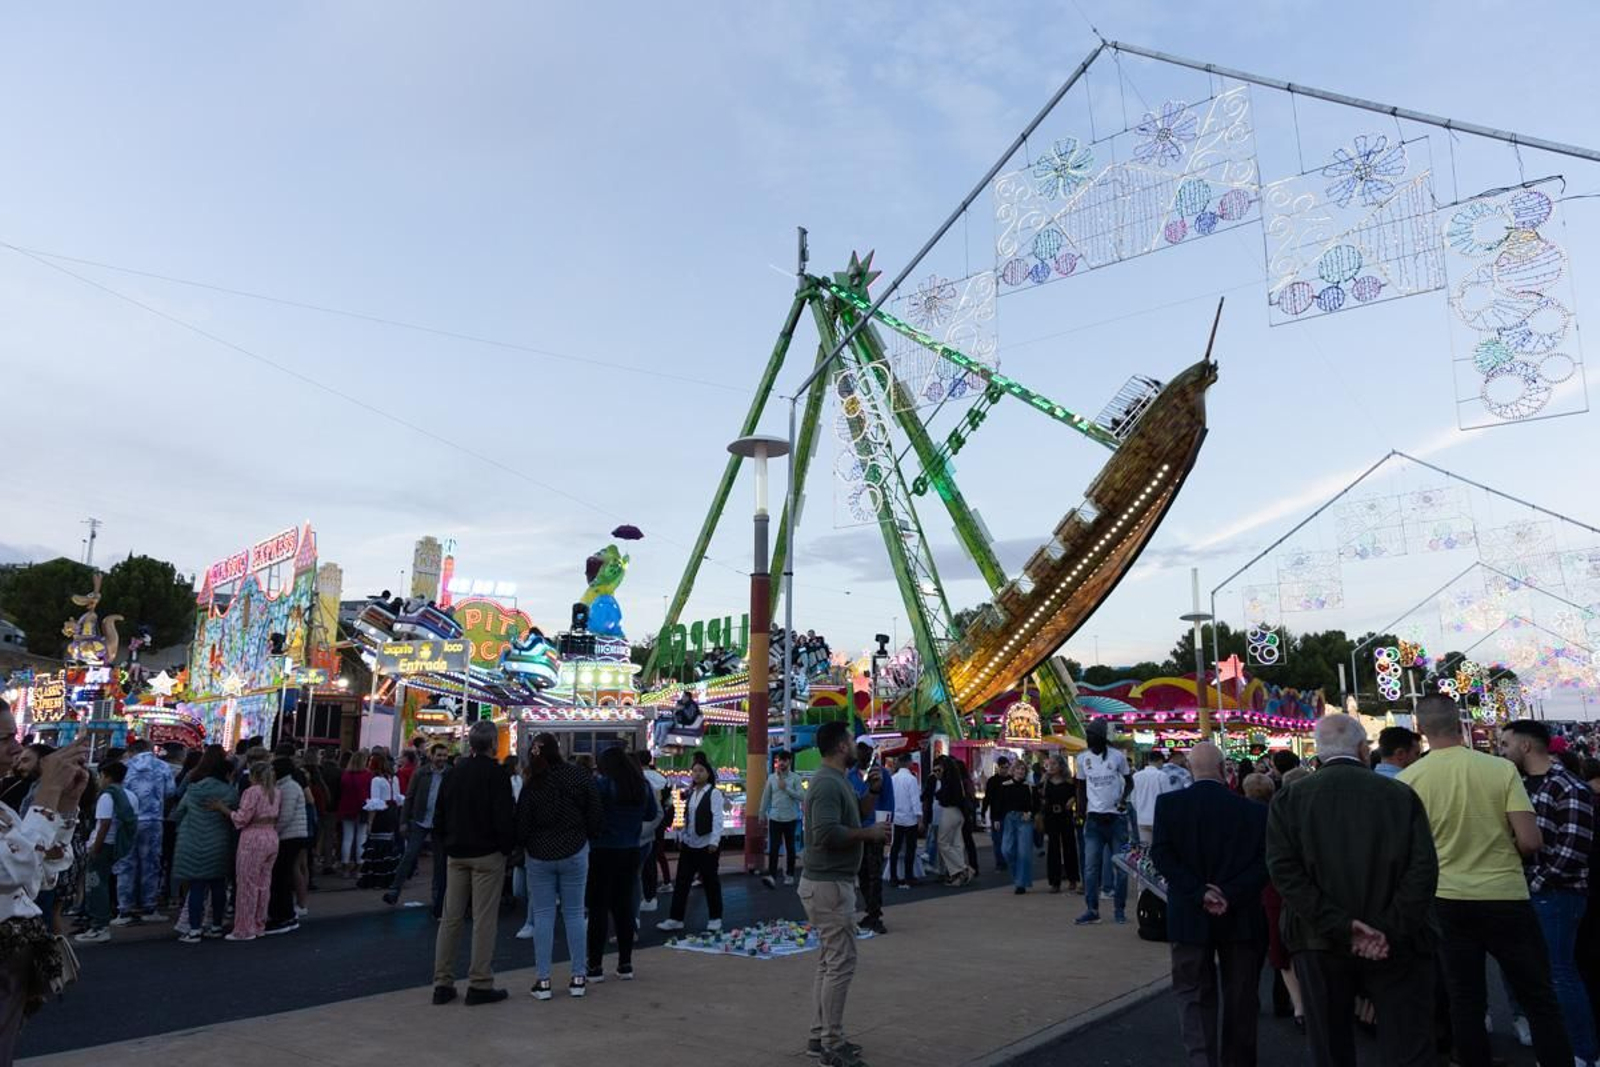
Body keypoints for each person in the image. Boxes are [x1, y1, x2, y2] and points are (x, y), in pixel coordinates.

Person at [1399, 696, 1572, 1067]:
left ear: (1421, 729)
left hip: (1446, 899)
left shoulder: (1408, 781)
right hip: (1504, 894)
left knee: (1465, 999)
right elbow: (1530, 840)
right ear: (1460, 725)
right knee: (1538, 997)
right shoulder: (1500, 770)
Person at [1267, 714, 1437, 1067]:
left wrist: (1341, 925)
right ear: (1363, 749)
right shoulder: (1399, 795)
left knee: (1330, 1043)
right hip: (1394, 942)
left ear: (1317, 751)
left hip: (1317, 940)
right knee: (1407, 1040)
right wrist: (1387, 928)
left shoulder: (1290, 798)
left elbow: (1285, 873)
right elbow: (1422, 869)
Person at [1150, 742, 1270, 1067]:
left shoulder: (1170, 806)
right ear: (1224, 769)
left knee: (1192, 994)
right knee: (1241, 997)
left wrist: (1198, 891)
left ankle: (1202, 1060)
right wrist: (1228, 891)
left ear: (1190, 768)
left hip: (1189, 914)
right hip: (1241, 915)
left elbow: (1161, 855)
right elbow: (1265, 864)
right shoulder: (1254, 811)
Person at [1499, 718, 1597, 1066]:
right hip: (1533, 892)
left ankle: (1583, 1052)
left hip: (1558, 895)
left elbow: (1573, 849)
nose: (1501, 750)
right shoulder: (1521, 785)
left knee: (1560, 974)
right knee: (1545, 975)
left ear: (1526, 745)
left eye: (1506, 744)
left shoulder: (1568, 787)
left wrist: (1534, 881)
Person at [0, 712, 87, 1066]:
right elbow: (11, 871)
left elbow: (39, 875)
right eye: (5, 738)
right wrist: (48, 791)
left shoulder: (4, 809)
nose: (15, 749)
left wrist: (65, 805)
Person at [801, 720, 887, 1067]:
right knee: (840, 963)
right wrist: (870, 836)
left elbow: (853, 816)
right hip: (829, 885)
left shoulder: (839, 781)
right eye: (851, 741)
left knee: (829, 962)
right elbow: (825, 833)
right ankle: (831, 1044)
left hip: (830, 883)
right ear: (840, 747)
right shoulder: (825, 784)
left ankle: (820, 1034)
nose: (856, 746)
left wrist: (873, 793)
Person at [433, 720, 516, 1006]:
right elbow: (504, 816)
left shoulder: (453, 773)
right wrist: (506, 849)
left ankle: (442, 982)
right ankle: (479, 981)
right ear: (493, 744)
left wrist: (445, 842)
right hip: (487, 853)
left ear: (469, 743)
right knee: (483, 919)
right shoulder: (497, 775)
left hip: (456, 852)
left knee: (451, 917)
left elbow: (440, 813)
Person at [517, 732, 600, 998]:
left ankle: (543, 981)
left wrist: (524, 846)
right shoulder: (578, 775)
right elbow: (595, 812)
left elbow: (522, 822)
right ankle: (578, 977)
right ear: (559, 749)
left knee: (543, 916)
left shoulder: (533, 783)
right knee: (574, 914)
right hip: (574, 849)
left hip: (540, 854)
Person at [585, 746, 655, 983]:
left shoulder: (602, 785)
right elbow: (651, 814)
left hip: (602, 851)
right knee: (624, 908)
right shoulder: (641, 785)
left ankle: (594, 966)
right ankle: (625, 964)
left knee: (598, 909)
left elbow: (590, 813)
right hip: (631, 850)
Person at [170, 745, 236, 943]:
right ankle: (216, 925)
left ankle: (195, 929)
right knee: (218, 886)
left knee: (197, 886)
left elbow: (179, 812)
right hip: (219, 841)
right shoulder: (230, 793)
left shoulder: (194, 788)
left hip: (192, 841)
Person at [657, 752, 725, 932]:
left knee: (711, 882)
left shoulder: (714, 793)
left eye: (701, 771)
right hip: (689, 844)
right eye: (694, 771)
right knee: (681, 882)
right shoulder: (690, 793)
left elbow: (718, 818)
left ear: (708, 773)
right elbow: (686, 818)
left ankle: (715, 917)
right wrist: (681, 836)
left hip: (706, 845)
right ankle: (675, 918)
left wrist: (714, 841)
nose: (697, 774)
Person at [217, 755, 279, 941]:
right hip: (271, 836)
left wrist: (225, 810)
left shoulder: (252, 792)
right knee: (264, 883)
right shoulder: (276, 792)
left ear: (254, 775)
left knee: (246, 884)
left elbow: (242, 818)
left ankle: (244, 928)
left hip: (253, 838)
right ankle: (259, 923)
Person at [1076, 721, 1133, 925]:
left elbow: (1130, 781)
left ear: (1100, 737)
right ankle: (1092, 909)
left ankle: (1119, 909)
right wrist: (1080, 812)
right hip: (1093, 821)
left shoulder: (1118, 757)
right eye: (1088, 735)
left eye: (1091, 734)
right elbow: (1081, 788)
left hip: (1117, 821)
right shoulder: (1082, 759)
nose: (1089, 738)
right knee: (1091, 867)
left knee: (1122, 867)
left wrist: (1123, 801)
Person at [112, 738, 174, 923]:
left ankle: (124, 909)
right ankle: (149, 906)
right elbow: (171, 791)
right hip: (153, 820)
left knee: (126, 863)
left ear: (132, 750)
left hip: (128, 821)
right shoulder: (163, 766)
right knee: (151, 864)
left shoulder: (124, 766)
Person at [73, 760, 133, 945]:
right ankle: (100, 924)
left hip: (102, 845)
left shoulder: (107, 797)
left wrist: (94, 848)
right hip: (117, 845)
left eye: (101, 776)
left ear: (106, 776)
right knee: (104, 884)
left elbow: (104, 824)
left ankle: (99, 926)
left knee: (95, 885)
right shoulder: (130, 795)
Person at [385, 742, 448, 910]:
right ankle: (394, 890)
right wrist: (404, 821)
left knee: (440, 862)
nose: (442, 758)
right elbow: (410, 797)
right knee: (410, 855)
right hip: (420, 819)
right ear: (432, 756)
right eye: (439, 755)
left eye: (444, 755)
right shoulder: (421, 773)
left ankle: (437, 898)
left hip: (440, 822)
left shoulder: (450, 774)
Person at [264, 750, 308, 935]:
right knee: (284, 874)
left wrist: (273, 831)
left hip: (289, 835)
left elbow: (286, 815)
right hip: (294, 834)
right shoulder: (289, 786)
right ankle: (286, 913)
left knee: (281, 876)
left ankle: (283, 915)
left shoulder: (288, 788)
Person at [848, 741, 889, 934]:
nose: (861, 752)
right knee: (863, 874)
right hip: (859, 831)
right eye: (859, 748)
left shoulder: (882, 774)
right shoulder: (850, 776)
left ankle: (875, 914)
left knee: (874, 874)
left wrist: (888, 826)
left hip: (876, 829)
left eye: (865, 749)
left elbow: (889, 800)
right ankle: (871, 911)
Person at [759, 749, 804, 889]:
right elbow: (766, 797)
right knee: (773, 848)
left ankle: (790, 875)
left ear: (789, 761)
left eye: (784, 760)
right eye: (779, 761)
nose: (781, 763)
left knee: (790, 848)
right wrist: (761, 814)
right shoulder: (772, 778)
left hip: (790, 818)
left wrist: (786, 789)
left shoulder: (795, 778)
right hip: (775, 817)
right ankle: (772, 875)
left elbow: (802, 797)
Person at [357, 751, 402, 889]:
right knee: (389, 844)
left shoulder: (376, 780)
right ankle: (388, 877)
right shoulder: (394, 778)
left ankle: (376, 877)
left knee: (377, 844)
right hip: (393, 812)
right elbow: (398, 798)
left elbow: (375, 802)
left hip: (382, 814)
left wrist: (370, 822)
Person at [1037, 754, 1078, 893]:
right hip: (1051, 816)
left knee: (1069, 845)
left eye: (1055, 764)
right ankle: (1055, 881)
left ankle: (1072, 878)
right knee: (1053, 848)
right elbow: (1038, 796)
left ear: (1061, 766)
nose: (1052, 767)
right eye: (1050, 764)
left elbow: (1077, 793)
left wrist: (1073, 799)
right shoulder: (1046, 781)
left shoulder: (1069, 781)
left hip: (1065, 815)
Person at [638, 750, 670, 913]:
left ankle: (645, 895)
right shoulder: (661, 777)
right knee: (657, 854)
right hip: (659, 821)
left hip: (643, 823)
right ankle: (659, 887)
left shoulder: (638, 779)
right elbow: (667, 801)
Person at [997, 758, 1036, 893]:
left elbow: (1036, 804)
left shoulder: (1030, 786)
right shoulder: (1005, 785)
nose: (1020, 771)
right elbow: (999, 803)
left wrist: (1030, 813)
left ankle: (1021, 883)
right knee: (1006, 850)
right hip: (1009, 819)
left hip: (1024, 819)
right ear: (1013, 770)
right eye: (1018, 769)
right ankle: (1017, 876)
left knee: (1024, 853)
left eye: (1023, 769)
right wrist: (996, 819)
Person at [933, 756, 971, 886]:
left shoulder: (947, 780)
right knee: (957, 844)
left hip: (949, 811)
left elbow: (944, 797)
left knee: (943, 842)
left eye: (938, 768)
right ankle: (958, 876)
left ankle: (962, 868)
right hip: (959, 813)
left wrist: (937, 793)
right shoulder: (958, 779)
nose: (937, 772)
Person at [336, 749, 372, 876]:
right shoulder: (367, 775)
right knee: (361, 837)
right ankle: (359, 866)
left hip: (346, 807)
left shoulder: (345, 775)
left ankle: (345, 866)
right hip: (362, 808)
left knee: (347, 838)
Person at [889, 753, 922, 889]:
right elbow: (915, 800)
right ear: (909, 763)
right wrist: (919, 817)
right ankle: (909, 876)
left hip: (896, 818)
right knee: (910, 848)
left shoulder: (893, 778)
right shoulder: (911, 779)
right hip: (910, 819)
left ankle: (893, 876)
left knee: (895, 848)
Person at [1131, 749, 1173, 845]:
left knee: (1146, 849)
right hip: (1159, 819)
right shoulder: (1162, 776)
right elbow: (1168, 798)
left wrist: (1140, 810)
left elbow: (1133, 799)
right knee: (1159, 848)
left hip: (1142, 819)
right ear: (1160, 761)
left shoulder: (1136, 776)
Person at [983, 756, 1012, 873]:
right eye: (1003, 767)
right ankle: (1000, 863)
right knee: (998, 840)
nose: (1005, 770)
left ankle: (1005, 861)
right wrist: (984, 811)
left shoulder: (1011, 780)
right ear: (998, 767)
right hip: (996, 815)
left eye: (1006, 767)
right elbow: (988, 797)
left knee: (1007, 840)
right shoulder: (992, 781)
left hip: (1009, 814)